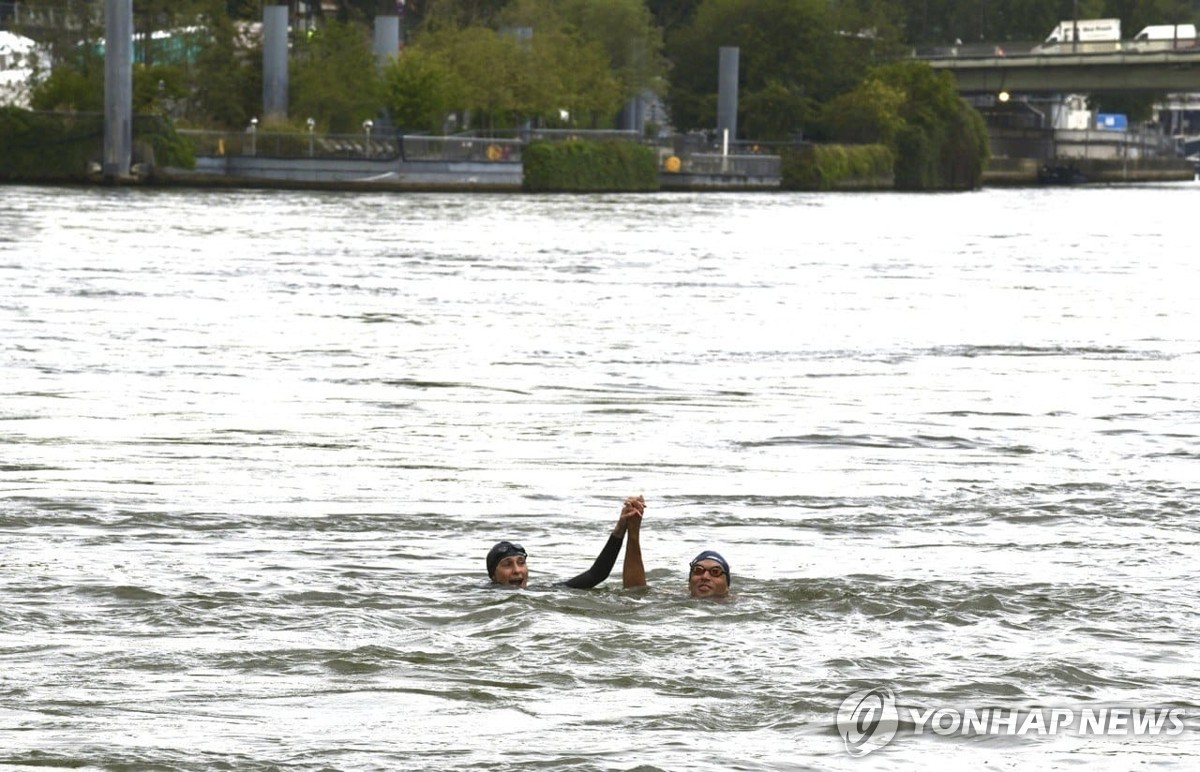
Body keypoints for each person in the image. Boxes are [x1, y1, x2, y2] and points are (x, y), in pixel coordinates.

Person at [486, 497, 641, 589]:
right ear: (493, 576)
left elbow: (596, 575)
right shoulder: (479, 595)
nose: (516, 570)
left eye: (521, 563)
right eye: (507, 564)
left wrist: (620, 529)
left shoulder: (542, 591)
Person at [620, 497, 731, 598]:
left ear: (727, 586)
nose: (705, 576)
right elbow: (635, 592)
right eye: (698, 570)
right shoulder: (675, 600)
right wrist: (633, 531)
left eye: (715, 572)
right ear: (689, 585)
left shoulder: (742, 603)